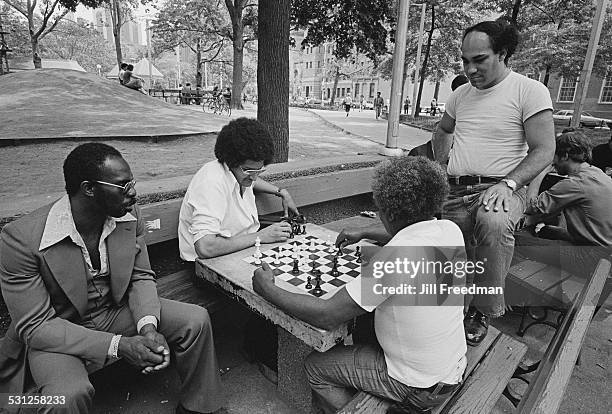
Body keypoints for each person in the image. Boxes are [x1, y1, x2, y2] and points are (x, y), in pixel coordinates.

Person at [0, 143, 224, 414]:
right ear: (89, 189)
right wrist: (120, 346)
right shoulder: (21, 239)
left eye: (132, 182)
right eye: (123, 186)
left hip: (114, 311)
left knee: (195, 320)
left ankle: (197, 407)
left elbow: (141, 277)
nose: (133, 193)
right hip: (60, 328)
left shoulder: (128, 216)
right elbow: (36, 327)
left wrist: (148, 328)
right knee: (67, 395)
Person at [252, 156, 467, 414]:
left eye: (378, 210)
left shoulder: (396, 258)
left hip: (418, 387)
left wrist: (268, 289)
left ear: (388, 212)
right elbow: (407, 232)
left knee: (315, 367)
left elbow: (326, 315)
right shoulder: (449, 230)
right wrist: (365, 232)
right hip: (451, 367)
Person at [431, 19, 555, 345]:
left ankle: (483, 310)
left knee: (493, 221)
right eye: (465, 60)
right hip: (456, 190)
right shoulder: (460, 95)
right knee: (436, 239)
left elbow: (545, 150)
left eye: (479, 59)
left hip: (501, 189)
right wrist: (440, 166)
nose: (470, 69)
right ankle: (441, 309)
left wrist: (509, 185)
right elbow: (443, 131)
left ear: (502, 53)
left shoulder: (529, 90)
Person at [178, 117, 300, 261]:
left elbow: (253, 180)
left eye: (260, 170)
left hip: (242, 252)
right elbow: (205, 247)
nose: (254, 178)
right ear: (231, 161)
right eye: (249, 171)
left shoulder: (240, 173)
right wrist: (261, 236)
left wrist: (280, 192)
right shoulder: (211, 181)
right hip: (207, 265)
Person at [520, 130, 612, 276]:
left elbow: (531, 207)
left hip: (590, 258)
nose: (553, 163)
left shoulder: (575, 183)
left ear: (565, 155)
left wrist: (540, 172)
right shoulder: (596, 173)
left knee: (520, 241)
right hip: (605, 248)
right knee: (546, 230)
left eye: (553, 157)